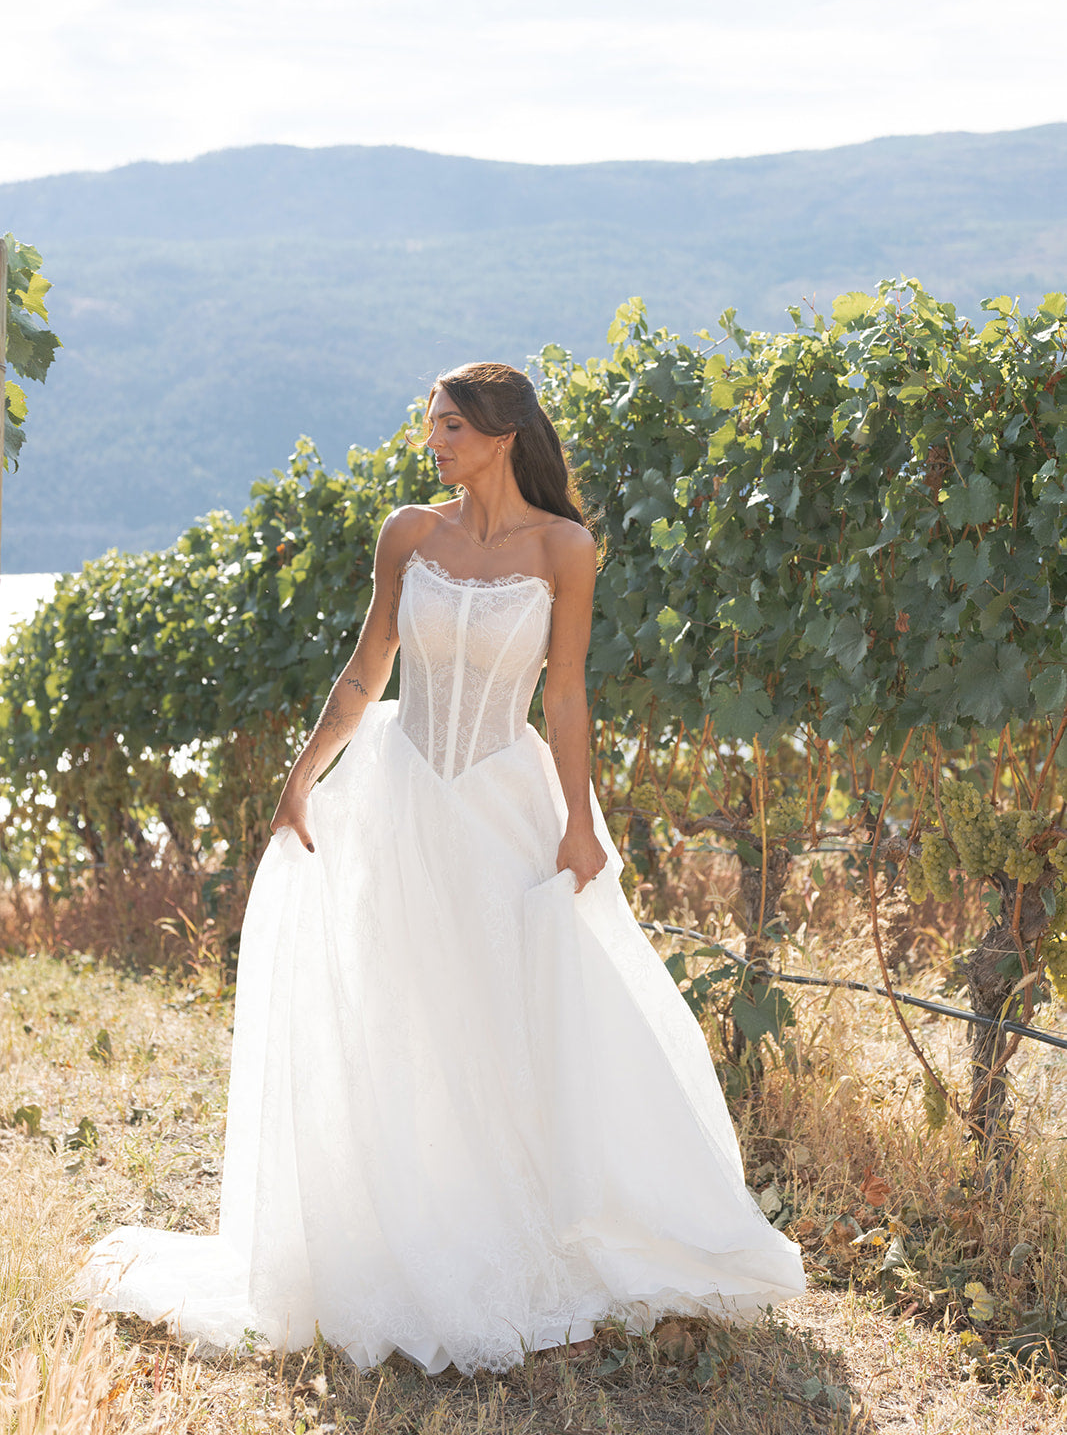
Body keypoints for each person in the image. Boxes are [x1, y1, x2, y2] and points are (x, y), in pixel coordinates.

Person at [79, 362, 805, 1373]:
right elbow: (368, 663)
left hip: (504, 807)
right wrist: (300, 775)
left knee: (507, 1021)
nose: (434, 440)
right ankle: (417, 1236)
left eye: (451, 425)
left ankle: (535, 1255)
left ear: (503, 434)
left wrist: (580, 822)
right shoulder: (409, 532)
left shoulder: (565, 547)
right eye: (430, 425)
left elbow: (563, 699)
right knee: (408, 1018)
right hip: (400, 794)